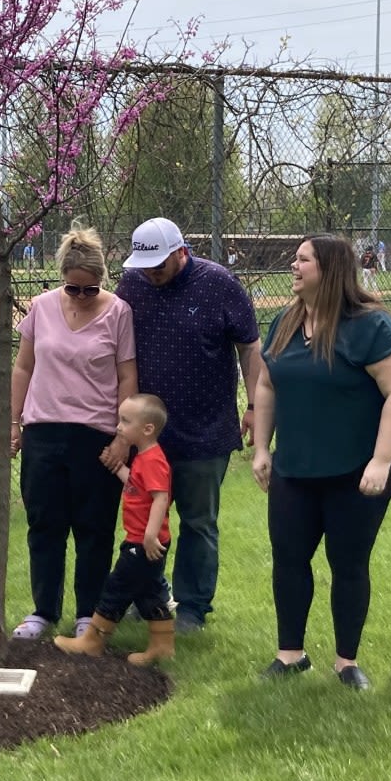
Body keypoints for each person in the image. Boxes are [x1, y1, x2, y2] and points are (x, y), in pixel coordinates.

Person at [252, 235, 391, 690]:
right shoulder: (286, 322)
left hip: (356, 473)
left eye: (303, 259)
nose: (294, 265)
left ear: (330, 269)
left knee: (348, 564)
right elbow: (266, 385)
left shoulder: (372, 326)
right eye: (296, 259)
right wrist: (263, 448)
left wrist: (382, 461)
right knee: (288, 559)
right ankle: (290, 655)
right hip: (294, 469)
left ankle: (347, 662)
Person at [114, 217, 262, 633]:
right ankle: (148, 594)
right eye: (144, 267)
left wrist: (254, 405)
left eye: (158, 266)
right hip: (147, 435)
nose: (151, 275)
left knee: (198, 521)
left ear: (182, 252)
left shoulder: (219, 285)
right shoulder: (133, 284)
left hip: (205, 429)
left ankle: (193, 607)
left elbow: (249, 348)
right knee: (144, 519)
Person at [10, 225, 137, 640]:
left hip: (96, 436)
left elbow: (126, 376)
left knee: (94, 527)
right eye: (73, 288)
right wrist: (15, 421)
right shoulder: (41, 307)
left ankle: (88, 611)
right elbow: (24, 367)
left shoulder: (119, 312)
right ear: (62, 277)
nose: (82, 296)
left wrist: (123, 435)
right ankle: (43, 611)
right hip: (43, 431)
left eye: (90, 289)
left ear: (102, 278)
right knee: (44, 525)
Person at [55, 394, 174, 665]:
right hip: (142, 541)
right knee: (149, 592)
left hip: (143, 544)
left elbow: (161, 498)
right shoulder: (144, 457)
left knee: (115, 588)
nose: (119, 427)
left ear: (147, 429)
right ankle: (163, 645)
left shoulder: (154, 460)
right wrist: (118, 467)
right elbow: (135, 483)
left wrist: (150, 535)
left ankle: (92, 641)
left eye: (125, 421)